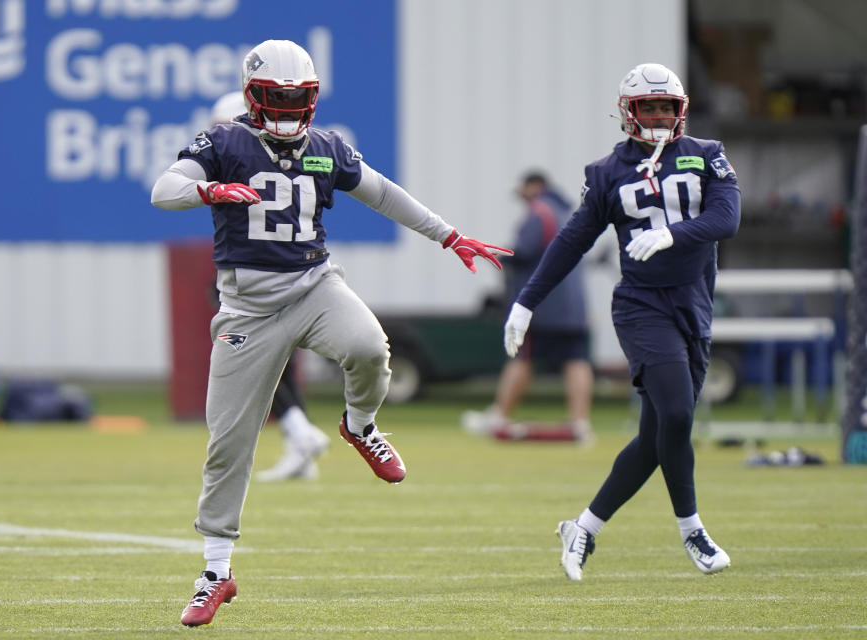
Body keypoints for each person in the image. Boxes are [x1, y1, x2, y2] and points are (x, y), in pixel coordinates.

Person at [151, 39, 510, 626]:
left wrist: (448, 235)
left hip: (314, 285)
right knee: (228, 443)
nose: (290, 109)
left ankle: (360, 426)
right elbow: (163, 189)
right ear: (253, 98)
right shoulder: (224, 140)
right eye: (278, 98)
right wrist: (208, 190)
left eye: (299, 98)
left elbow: (384, 194)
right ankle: (216, 571)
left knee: (369, 347)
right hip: (246, 306)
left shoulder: (327, 149)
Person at [503, 63, 740, 581]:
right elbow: (571, 242)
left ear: (681, 110)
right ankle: (693, 531)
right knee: (676, 415)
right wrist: (526, 301)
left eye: (665, 107)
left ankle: (583, 527)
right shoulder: (607, 172)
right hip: (641, 305)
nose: (657, 116)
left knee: (659, 435)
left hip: (693, 305)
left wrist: (676, 235)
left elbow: (727, 219)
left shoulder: (707, 156)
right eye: (647, 107)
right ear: (628, 112)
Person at [211, 91, 330, 483]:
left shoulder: (240, 153)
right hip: (298, 269)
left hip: (255, 274)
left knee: (255, 363)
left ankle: (299, 431)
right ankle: (300, 445)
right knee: (278, 362)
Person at [462, 171, 594, 442]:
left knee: (522, 357)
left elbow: (524, 251)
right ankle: (580, 422)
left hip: (544, 303)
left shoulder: (539, 212)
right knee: (576, 360)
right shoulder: (565, 213)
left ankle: (500, 415)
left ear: (535, 186)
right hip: (572, 304)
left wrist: (491, 254)